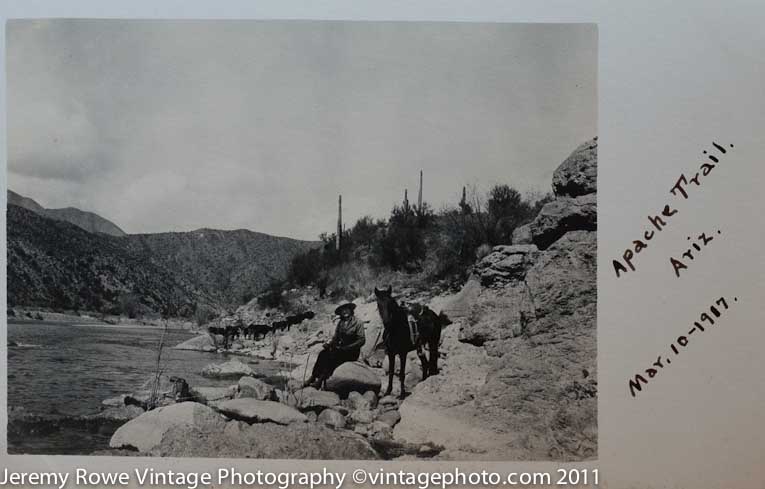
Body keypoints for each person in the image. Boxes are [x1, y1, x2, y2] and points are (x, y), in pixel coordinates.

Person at [303, 303, 365, 389]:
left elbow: (362, 340)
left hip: (352, 351)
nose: (345, 312)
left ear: (351, 310)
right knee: (323, 353)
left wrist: (347, 348)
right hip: (340, 348)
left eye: (347, 309)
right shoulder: (341, 323)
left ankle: (320, 380)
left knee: (333, 356)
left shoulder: (358, 322)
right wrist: (328, 344)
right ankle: (313, 377)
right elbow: (336, 337)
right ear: (340, 313)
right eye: (343, 310)